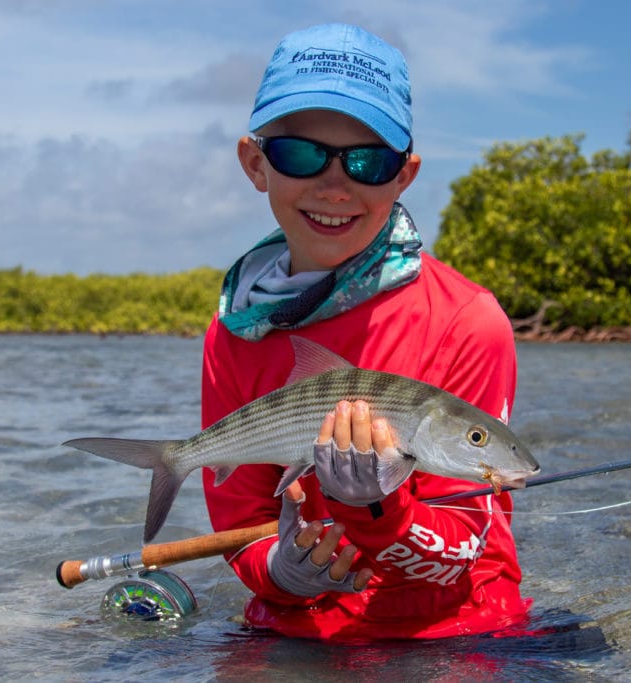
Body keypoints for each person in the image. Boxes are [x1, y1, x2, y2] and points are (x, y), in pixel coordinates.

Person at [201, 23, 531, 640]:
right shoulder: (234, 330)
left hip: (451, 637)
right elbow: (238, 522)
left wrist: (376, 508)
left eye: (368, 161)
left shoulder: (467, 321)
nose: (335, 186)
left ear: (404, 175)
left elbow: (464, 550)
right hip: (294, 633)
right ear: (255, 163)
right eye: (300, 153)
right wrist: (284, 572)